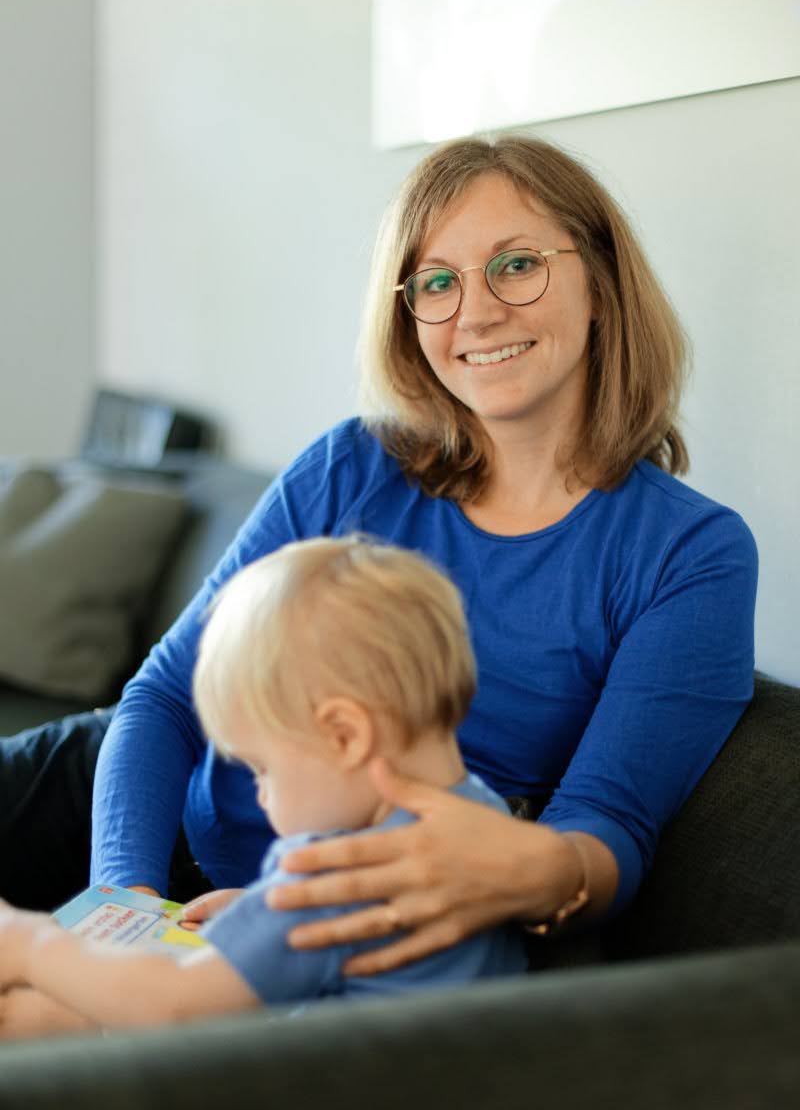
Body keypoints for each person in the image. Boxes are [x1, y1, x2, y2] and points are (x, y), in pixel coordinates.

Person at [0, 134, 757, 1021]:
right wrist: (120, 904)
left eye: (517, 266)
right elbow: (164, 699)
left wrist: (515, 869)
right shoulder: (349, 467)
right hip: (137, 810)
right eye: (436, 282)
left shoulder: (688, 553)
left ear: (600, 280)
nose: (475, 312)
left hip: (317, 921)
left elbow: (605, 835)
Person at [0, 538, 528, 1035]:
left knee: (27, 1016)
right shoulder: (483, 825)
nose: (260, 794)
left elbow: (175, 1003)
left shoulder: (333, 876)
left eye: (262, 768)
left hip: (290, 1081)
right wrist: (260, 908)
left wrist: (32, 944)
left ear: (345, 736)